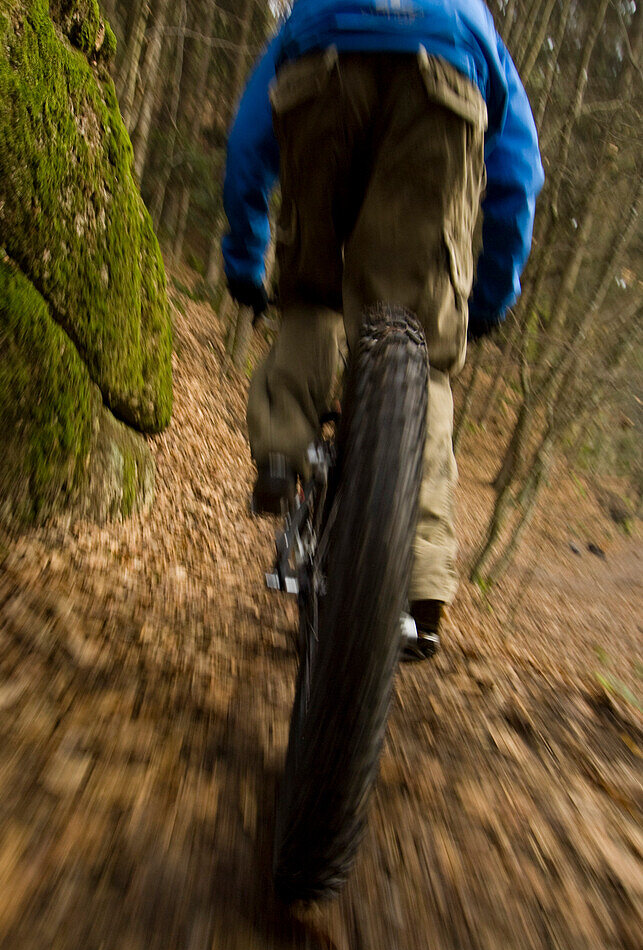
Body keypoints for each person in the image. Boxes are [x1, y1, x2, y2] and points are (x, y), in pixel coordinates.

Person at [222, 0, 544, 659]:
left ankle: (282, 450)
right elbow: (517, 175)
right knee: (423, 346)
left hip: (321, 57)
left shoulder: (307, 8)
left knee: (311, 290)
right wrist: (485, 298)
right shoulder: (471, 14)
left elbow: (246, 145)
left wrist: (245, 263)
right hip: (446, 74)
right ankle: (422, 574)